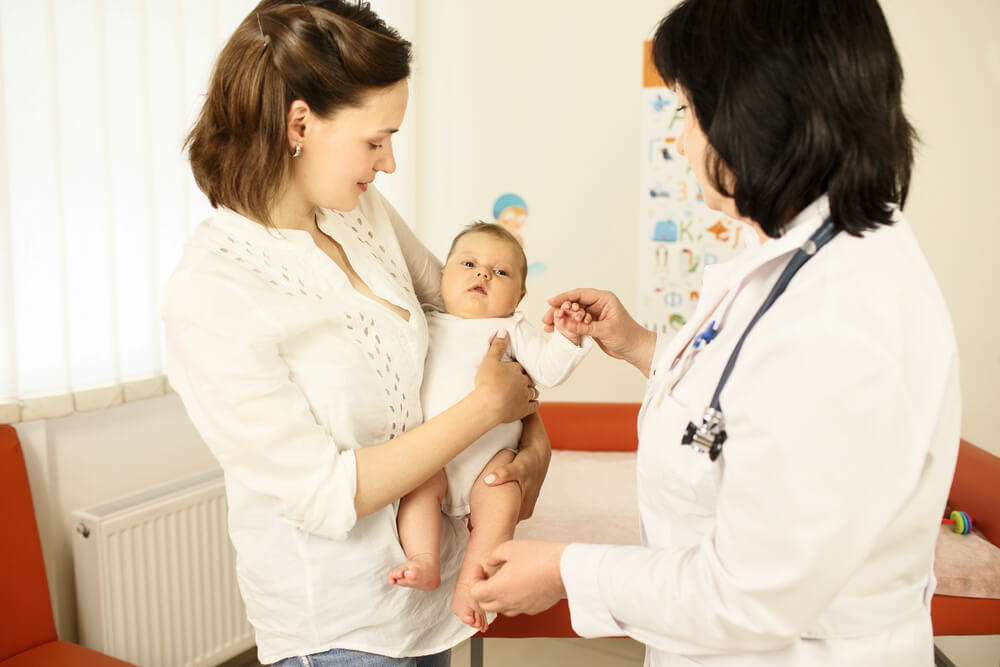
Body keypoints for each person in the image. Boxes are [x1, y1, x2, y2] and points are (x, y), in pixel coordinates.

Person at [471, 1, 961, 665]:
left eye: (687, 112)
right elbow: (747, 397)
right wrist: (640, 343)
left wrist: (565, 569)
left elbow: (749, 593)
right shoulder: (800, 256)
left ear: (753, 113)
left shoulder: (840, 315)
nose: (681, 142)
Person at [161, 2, 551, 666]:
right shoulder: (213, 291)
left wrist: (533, 440)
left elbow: (468, 316)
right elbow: (325, 493)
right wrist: (488, 408)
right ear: (300, 124)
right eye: (375, 141)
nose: (390, 163)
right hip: (341, 626)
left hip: (428, 599)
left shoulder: (359, 211)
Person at [388, 222, 591, 631]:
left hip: (490, 462)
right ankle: (424, 561)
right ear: (441, 277)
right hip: (435, 454)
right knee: (417, 485)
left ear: (519, 297)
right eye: (469, 263)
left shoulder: (513, 329)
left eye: (501, 272)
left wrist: (568, 337)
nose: (483, 274)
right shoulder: (424, 322)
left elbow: (549, 372)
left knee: (503, 497)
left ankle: (471, 585)